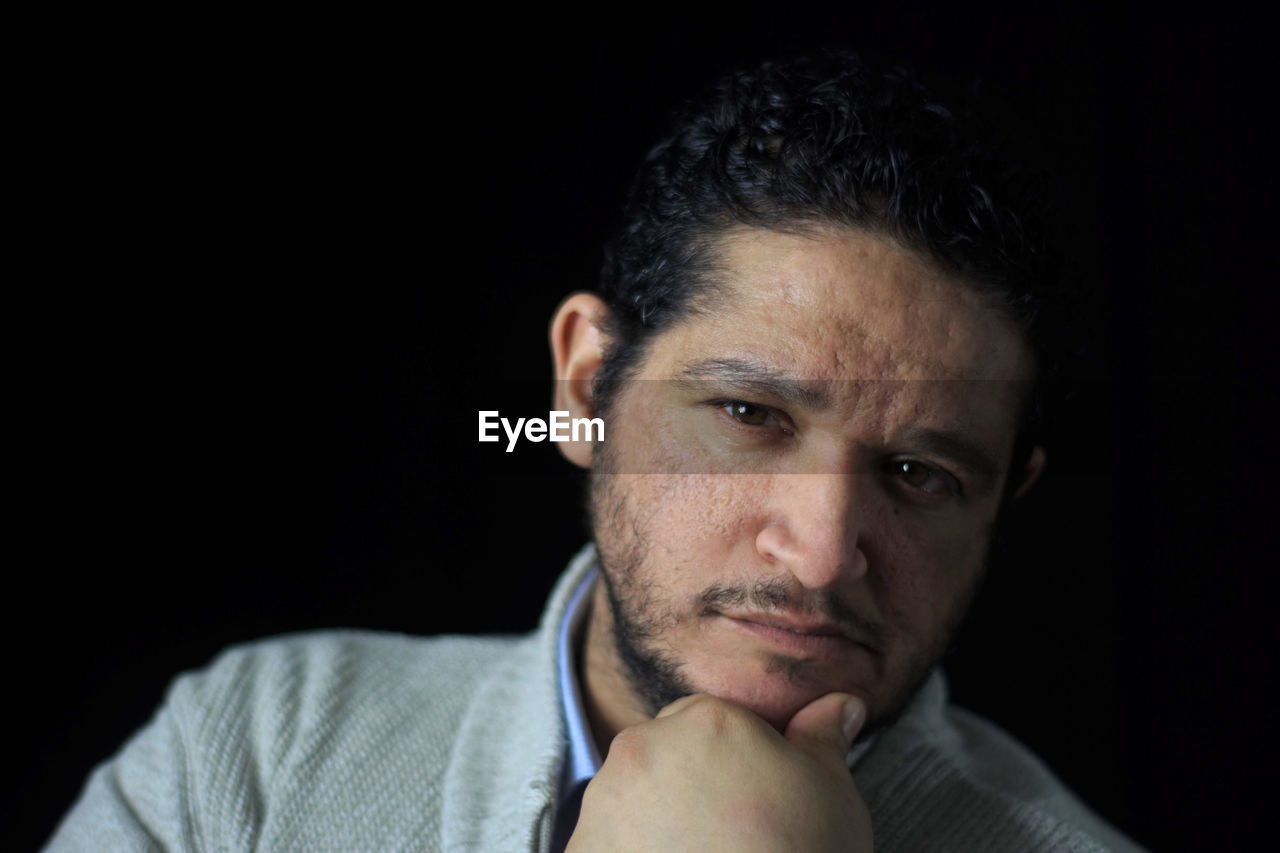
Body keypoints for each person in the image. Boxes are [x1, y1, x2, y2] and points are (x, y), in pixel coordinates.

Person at [47, 51, 1144, 852]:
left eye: (918, 475)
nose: (820, 554)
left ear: (1003, 501)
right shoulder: (255, 748)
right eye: (748, 414)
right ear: (583, 388)